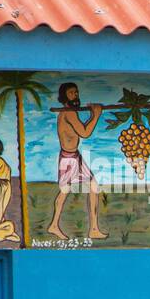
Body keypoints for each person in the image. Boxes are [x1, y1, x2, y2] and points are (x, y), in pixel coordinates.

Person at [49, 82, 106, 241]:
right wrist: (96, 115)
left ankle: (93, 228)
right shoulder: (69, 113)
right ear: (64, 96)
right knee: (66, 191)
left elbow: (81, 130)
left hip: (73, 156)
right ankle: (54, 225)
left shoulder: (70, 112)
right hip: (69, 158)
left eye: (76, 92)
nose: (76, 95)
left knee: (92, 185)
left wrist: (92, 116)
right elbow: (85, 133)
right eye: (72, 93)